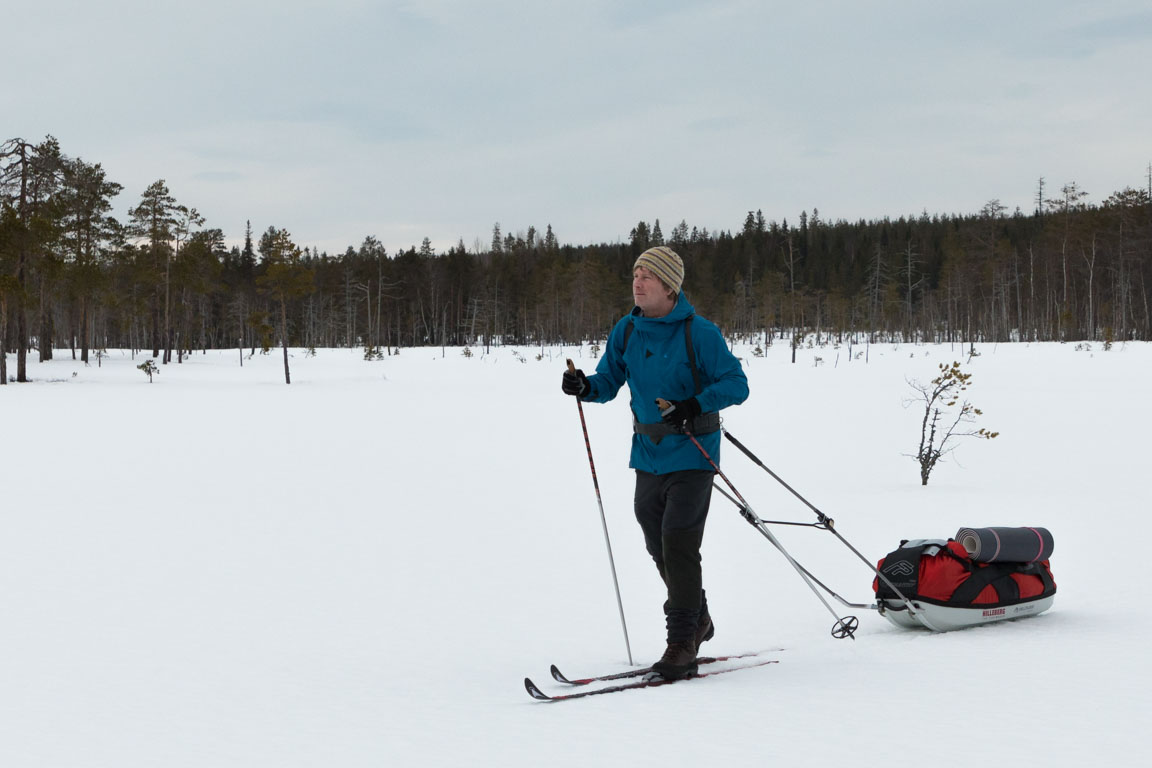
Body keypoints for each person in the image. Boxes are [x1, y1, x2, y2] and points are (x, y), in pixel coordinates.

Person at [561, 245, 749, 679]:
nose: (638, 282)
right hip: (647, 454)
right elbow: (608, 381)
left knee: (678, 541)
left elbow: (737, 384)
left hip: (693, 452)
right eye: (635, 274)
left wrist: (692, 404)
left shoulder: (699, 333)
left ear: (669, 285)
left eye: (647, 275)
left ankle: (682, 642)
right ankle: (698, 616)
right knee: (656, 542)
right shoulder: (627, 330)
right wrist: (582, 385)